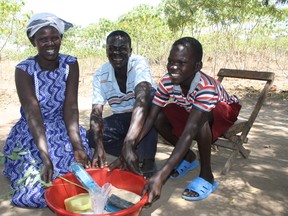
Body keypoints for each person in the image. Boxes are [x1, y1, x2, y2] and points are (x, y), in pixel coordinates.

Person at [110, 37, 241, 203]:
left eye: (181, 63)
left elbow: (189, 132)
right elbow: (150, 119)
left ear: (197, 66)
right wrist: (128, 149)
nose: (173, 67)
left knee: (200, 120)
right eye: (170, 61)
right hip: (193, 109)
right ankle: (187, 156)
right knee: (158, 115)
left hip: (224, 110)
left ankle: (207, 176)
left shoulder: (205, 87)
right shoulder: (167, 81)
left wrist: (161, 175)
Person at [2, 13, 93, 208]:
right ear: (33, 41)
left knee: (77, 172)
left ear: (61, 39)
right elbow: (33, 115)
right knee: (39, 186)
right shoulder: (24, 70)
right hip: (34, 130)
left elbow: (70, 107)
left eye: (54, 37)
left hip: (61, 126)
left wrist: (77, 145)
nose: (50, 43)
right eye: (43, 39)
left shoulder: (70, 64)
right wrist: (45, 155)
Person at [88, 30, 158, 177]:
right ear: (106, 51)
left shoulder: (139, 63)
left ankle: (147, 160)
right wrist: (99, 145)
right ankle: (132, 153)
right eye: (112, 49)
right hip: (121, 119)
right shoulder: (100, 74)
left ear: (130, 51)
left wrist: (129, 142)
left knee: (151, 98)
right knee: (91, 135)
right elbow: (96, 113)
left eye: (122, 49)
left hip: (143, 115)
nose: (116, 53)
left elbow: (142, 100)